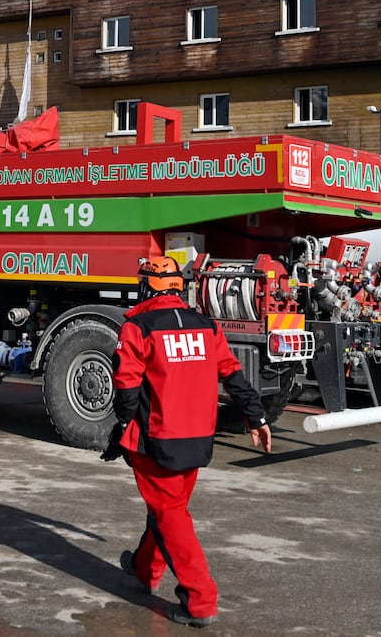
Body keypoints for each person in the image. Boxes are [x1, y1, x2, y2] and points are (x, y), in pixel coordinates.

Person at [103, 255, 273, 628]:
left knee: (170, 516)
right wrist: (256, 418)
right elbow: (233, 373)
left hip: (156, 440)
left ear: (146, 286)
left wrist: (121, 427)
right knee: (169, 510)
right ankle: (145, 571)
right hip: (197, 439)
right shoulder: (206, 326)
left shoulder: (137, 326)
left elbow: (127, 385)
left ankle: (199, 601)